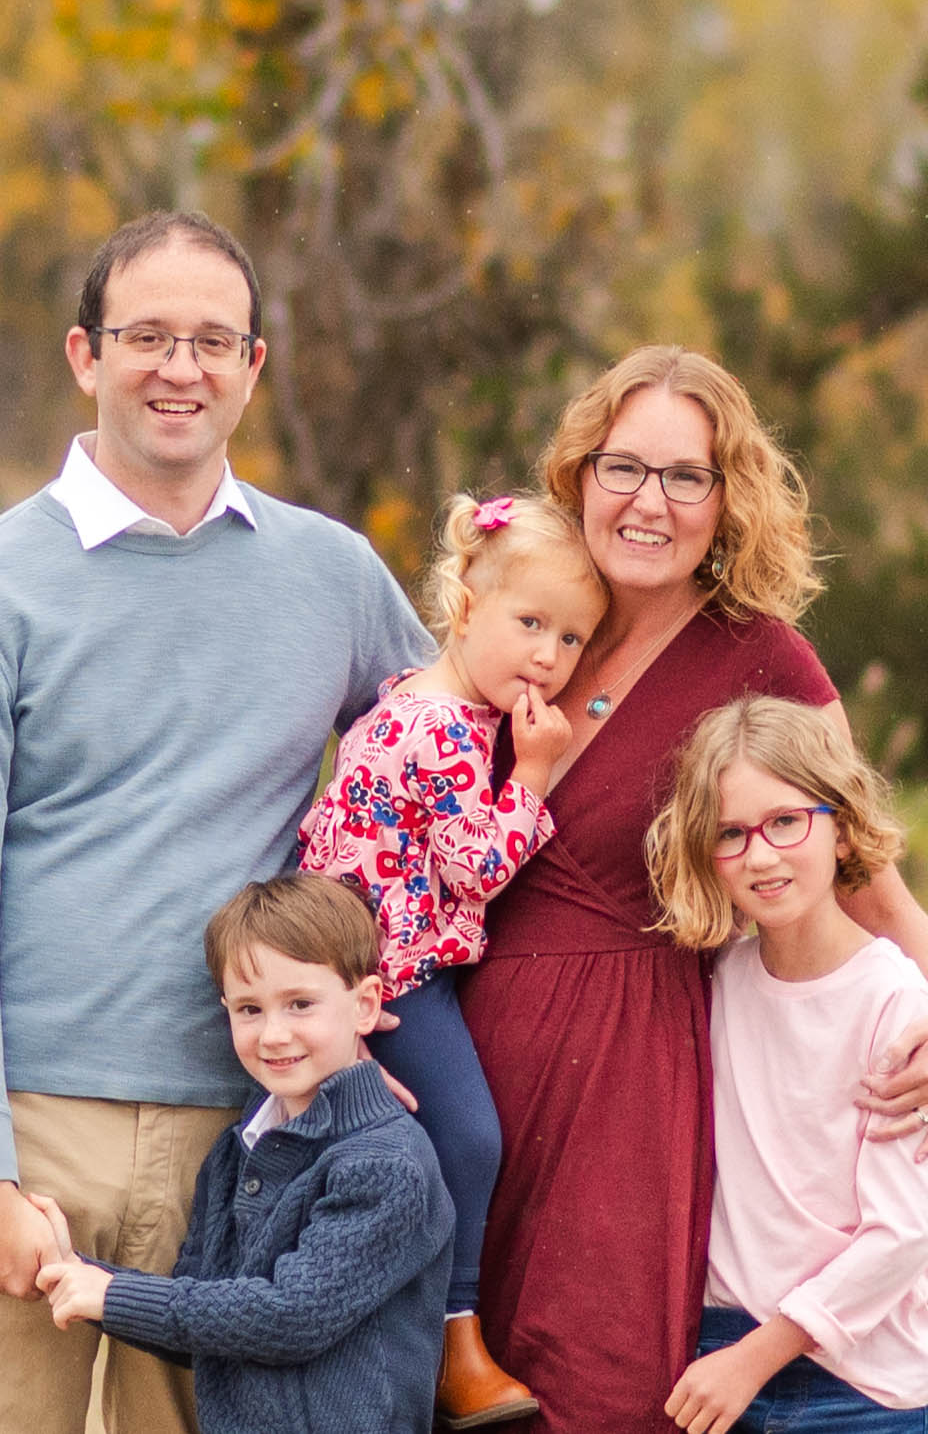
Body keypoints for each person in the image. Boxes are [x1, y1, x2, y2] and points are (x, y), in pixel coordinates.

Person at [0, 210, 437, 1434]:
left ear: (253, 366)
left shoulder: (334, 577)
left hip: (249, 1140)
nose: (180, 369)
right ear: (86, 355)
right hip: (32, 1128)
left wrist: (389, 995)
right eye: (146, 337)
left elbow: (444, 773)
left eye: (212, 341)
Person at [456, 345, 928, 1432]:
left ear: (726, 495)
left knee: (592, 1388)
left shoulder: (764, 662)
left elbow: (867, 881)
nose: (649, 502)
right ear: (580, 476)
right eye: (623, 468)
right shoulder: (534, 617)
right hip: (473, 1070)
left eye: (684, 476)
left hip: (627, 1090)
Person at [297, 492, 607, 1427]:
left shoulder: (407, 696)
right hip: (394, 974)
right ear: (465, 607)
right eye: (530, 623)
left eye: (571, 638)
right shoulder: (446, 732)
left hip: (362, 961)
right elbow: (472, 867)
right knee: (468, 1137)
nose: (548, 656)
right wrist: (535, 774)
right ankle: (453, 1344)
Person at [30, 875, 455, 1434]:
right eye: (249, 1009)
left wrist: (111, 1294)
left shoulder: (385, 1164)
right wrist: (79, 1276)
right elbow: (204, 1323)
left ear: (366, 1005)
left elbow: (292, 1316)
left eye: (300, 1004)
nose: (273, 1034)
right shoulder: (235, 1153)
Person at [647, 696, 928, 1434]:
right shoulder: (718, 984)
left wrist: (753, 1359)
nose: (760, 855)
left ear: (840, 828)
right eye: (730, 833)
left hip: (858, 1385)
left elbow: (905, 1233)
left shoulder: (893, 999)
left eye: (786, 821)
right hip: (724, 1354)